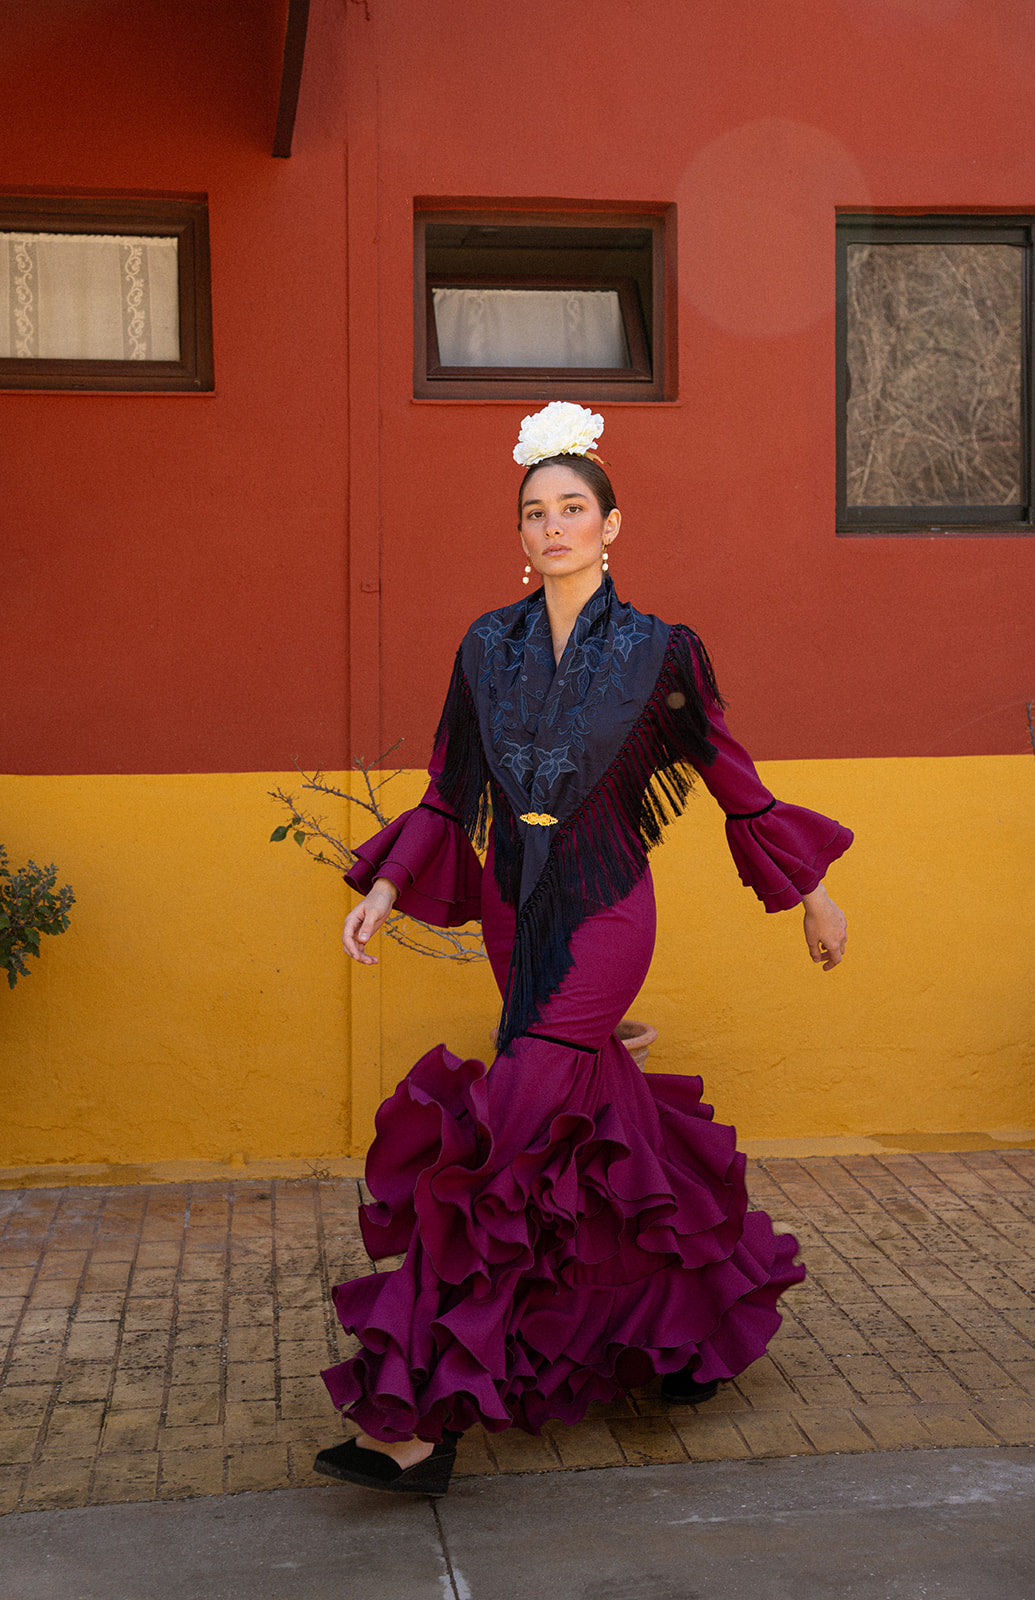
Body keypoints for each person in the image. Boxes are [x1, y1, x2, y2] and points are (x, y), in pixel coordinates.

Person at [314, 403, 851, 1497]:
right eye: (533, 513)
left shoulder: (661, 650)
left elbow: (729, 777)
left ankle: (412, 1417)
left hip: (606, 909)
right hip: (515, 907)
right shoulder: (483, 645)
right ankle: (690, 1327)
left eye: (571, 509)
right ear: (518, 535)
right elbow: (444, 792)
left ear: (611, 525)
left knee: (500, 1142)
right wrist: (382, 885)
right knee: (589, 1117)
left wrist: (810, 890)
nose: (551, 527)